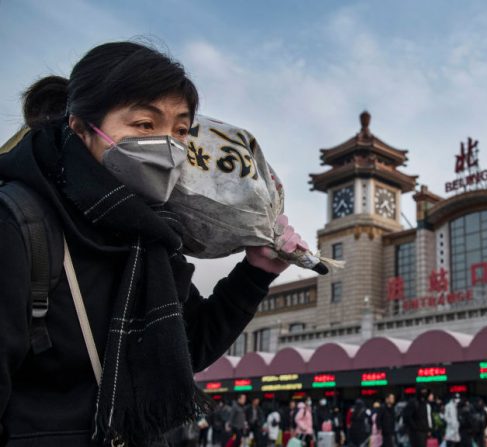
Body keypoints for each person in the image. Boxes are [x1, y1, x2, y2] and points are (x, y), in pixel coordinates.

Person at [0, 42, 300, 446]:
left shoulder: (152, 237)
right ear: (81, 128)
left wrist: (257, 272)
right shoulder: (19, 222)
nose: (169, 147)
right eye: (145, 124)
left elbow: (185, 347)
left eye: (180, 131)